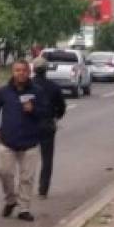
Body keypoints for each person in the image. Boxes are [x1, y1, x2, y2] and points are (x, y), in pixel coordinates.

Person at [0, 59, 44, 221]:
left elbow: (45, 112)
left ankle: (24, 209)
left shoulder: (37, 91)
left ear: (29, 72)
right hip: (8, 140)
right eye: (17, 70)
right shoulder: (4, 91)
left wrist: (34, 110)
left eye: (24, 70)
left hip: (30, 141)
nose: (21, 73)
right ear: (13, 72)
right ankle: (11, 199)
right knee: (4, 172)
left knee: (27, 178)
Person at [31, 56, 67, 198]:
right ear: (46, 70)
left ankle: (24, 186)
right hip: (47, 124)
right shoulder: (54, 87)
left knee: (26, 157)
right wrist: (56, 117)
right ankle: (43, 189)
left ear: (33, 69)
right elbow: (62, 107)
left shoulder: (28, 85)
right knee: (47, 159)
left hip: (29, 124)